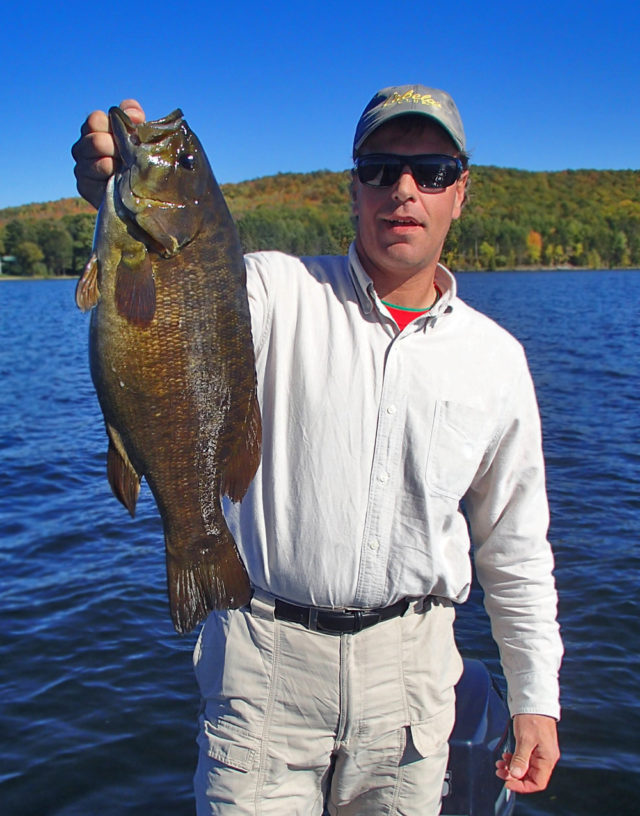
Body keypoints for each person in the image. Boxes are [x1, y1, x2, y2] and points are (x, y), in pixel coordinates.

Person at [72, 84, 563, 815]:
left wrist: (535, 697)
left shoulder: (497, 360)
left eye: (430, 172)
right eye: (378, 168)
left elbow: (515, 548)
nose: (403, 190)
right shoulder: (276, 290)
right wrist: (111, 187)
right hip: (265, 670)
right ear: (352, 189)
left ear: (460, 193)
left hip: (412, 683)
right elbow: (184, 282)